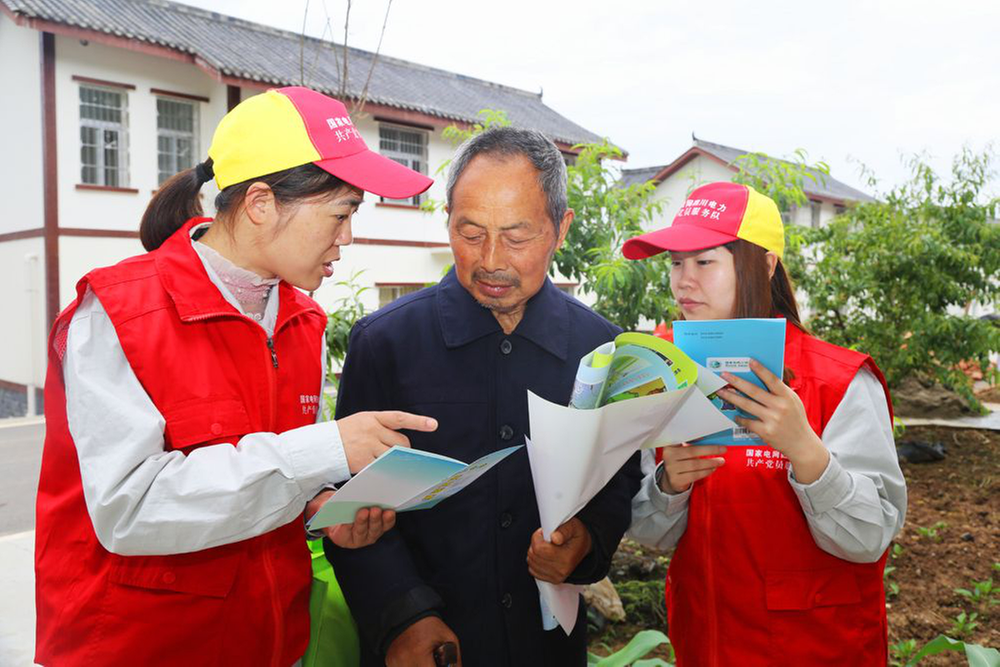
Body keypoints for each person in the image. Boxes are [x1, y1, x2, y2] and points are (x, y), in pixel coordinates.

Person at [34, 87, 438, 667]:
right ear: (260, 203)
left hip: (269, 644)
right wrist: (323, 449)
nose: (347, 238)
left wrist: (320, 509)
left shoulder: (301, 320)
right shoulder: (120, 313)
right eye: (342, 213)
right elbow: (130, 507)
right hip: (136, 649)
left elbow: (260, 472)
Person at [325, 127, 643, 666]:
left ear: (560, 229)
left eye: (517, 237)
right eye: (469, 232)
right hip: (424, 647)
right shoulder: (385, 343)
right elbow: (350, 504)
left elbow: (618, 480)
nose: (491, 260)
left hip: (546, 647)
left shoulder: (602, 349)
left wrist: (584, 543)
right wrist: (402, 615)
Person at [624, 181, 907, 666]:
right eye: (675, 262)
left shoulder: (838, 381)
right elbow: (650, 534)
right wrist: (669, 484)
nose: (682, 281)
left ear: (765, 263)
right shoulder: (666, 373)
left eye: (704, 261)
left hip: (818, 650)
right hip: (706, 645)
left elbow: (870, 538)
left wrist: (806, 452)